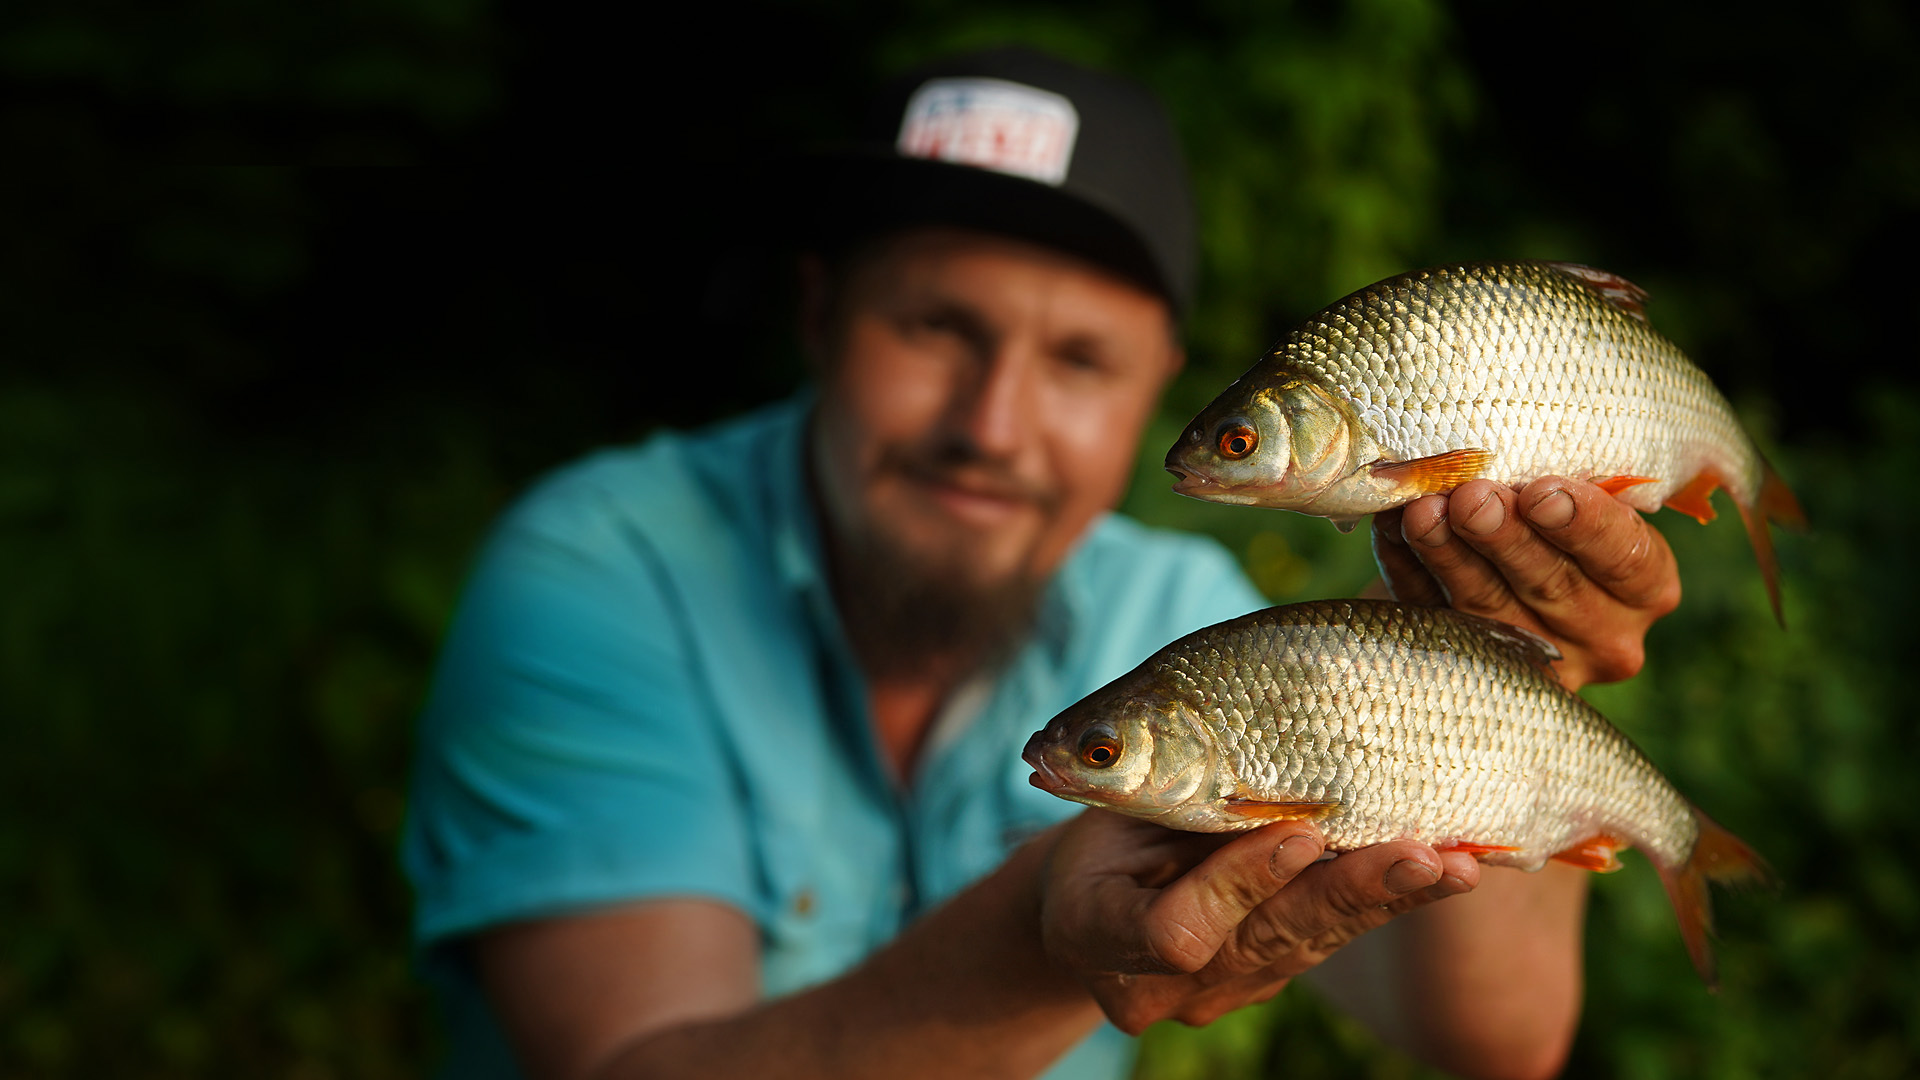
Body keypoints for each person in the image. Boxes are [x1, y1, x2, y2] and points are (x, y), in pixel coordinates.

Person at [402, 47, 1681, 1080]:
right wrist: (1037, 932)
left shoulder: (1189, 621)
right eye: (936, 327)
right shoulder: (601, 570)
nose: (993, 425)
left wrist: (1523, 682)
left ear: (1155, 394)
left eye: (1077, 361)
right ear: (819, 319)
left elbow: (1495, 1040)